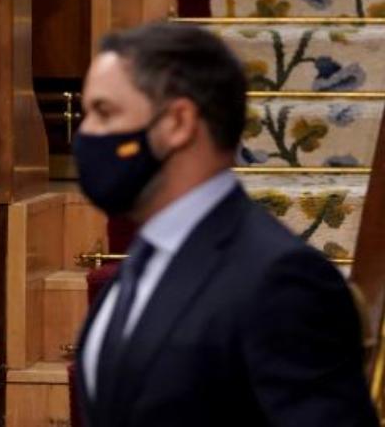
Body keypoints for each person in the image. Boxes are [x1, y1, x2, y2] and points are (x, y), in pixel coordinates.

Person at [72, 22, 376, 426]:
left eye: (104, 113)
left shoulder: (282, 280)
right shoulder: (144, 262)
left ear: (178, 122)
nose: (86, 134)